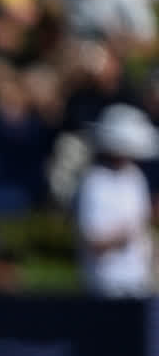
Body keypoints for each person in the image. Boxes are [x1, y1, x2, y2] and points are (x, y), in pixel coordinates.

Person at [74, 104, 158, 297]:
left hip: (138, 282)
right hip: (105, 284)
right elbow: (92, 240)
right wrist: (122, 237)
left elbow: (143, 226)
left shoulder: (135, 177)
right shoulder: (94, 182)